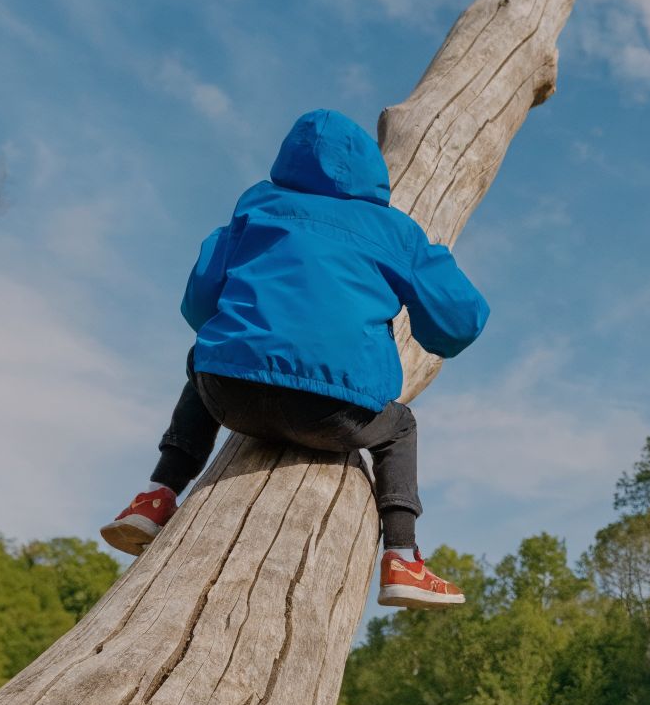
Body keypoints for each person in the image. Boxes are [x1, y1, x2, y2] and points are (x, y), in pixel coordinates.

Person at [102, 108, 488, 609]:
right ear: (374, 173)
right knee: (400, 428)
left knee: (203, 359)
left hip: (231, 398)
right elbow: (459, 323)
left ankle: (157, 495)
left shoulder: (258, 204)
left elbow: (199, 302)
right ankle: (401, 557)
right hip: (332, 413)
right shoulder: (394, 230)